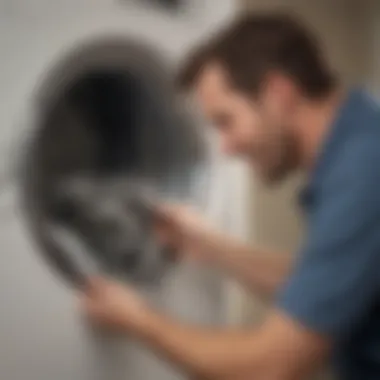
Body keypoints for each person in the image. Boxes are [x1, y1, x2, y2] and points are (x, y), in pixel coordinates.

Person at [80, 12, 380, 380]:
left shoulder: (364, 169)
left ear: (278, 93)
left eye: (226, 121)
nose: (225, 148)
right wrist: (207, 244)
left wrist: (138, 319)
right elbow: (322, 284)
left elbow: (272, 365)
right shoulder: (359, 142)